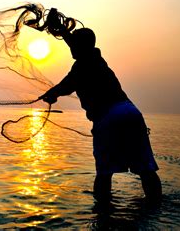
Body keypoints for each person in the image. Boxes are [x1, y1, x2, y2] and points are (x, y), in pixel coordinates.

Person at [38, 15, 162, 203]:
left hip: (108, 117)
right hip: (131, 112)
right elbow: (76, 43)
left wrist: (51, 94)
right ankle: (156, 208)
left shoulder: (81, 66)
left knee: (104, 173)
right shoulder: (96, 58)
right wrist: (63, 32)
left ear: (80, 46)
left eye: (74, 45)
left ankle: (102, 213)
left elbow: (65, 85)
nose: (71, 48)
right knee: (146, 169)